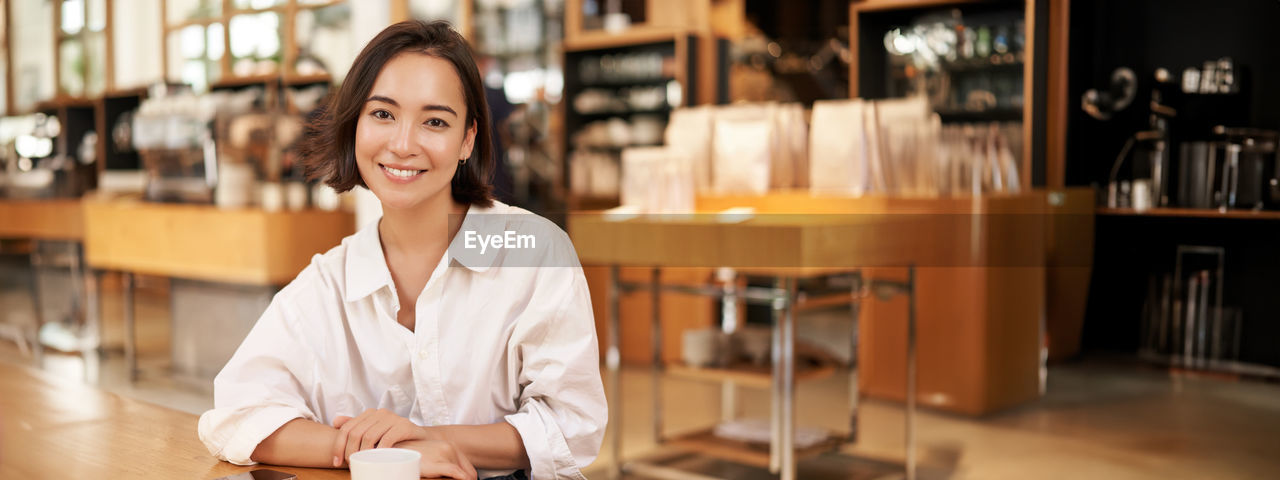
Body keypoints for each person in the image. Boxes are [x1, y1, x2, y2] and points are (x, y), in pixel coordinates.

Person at [197, 20, 606, 480]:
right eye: (383, 114)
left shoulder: (530, 249)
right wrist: (366, 451)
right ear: (355, 123)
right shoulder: (331, 280)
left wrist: (425, 439)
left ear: (468, 139)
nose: (403, 144)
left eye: (434, 121)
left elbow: (572, 427)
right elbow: (233, 418)